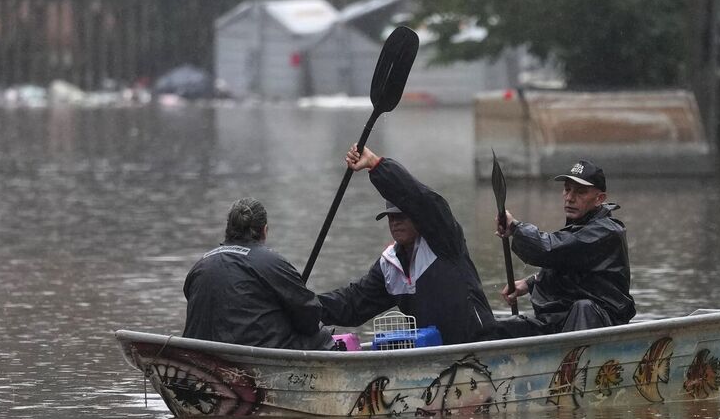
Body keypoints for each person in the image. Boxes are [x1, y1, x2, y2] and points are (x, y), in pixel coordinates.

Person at [317, 145, 498, 345]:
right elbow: (352, 304)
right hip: (431, 357)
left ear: (418, 218)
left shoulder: (444, 241)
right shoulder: (389, 266)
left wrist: (376, 165)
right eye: (391, 217)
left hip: (478, 346)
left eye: (402, 216)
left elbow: (422, 200)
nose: (395, 222)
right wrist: (301, 306)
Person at [491, 159, 633, 337]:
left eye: (580, 192)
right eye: (567, 189)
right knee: (496, 329)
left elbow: (549, 249)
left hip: (600, 323)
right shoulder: (579, 228)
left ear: (599, 199)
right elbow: (575, 273)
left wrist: (515, 227)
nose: (570, 198)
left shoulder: (607, 231)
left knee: (584, 308)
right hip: (562, 321)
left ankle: (577, 362)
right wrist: (531, 283)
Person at [181, 197, 333, 350]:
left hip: (196, 352)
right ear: (265, 230)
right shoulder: (273, 263)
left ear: (228, 229)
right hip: (251, 353)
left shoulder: (200, 264)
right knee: (322, 336)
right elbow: (310, 318)